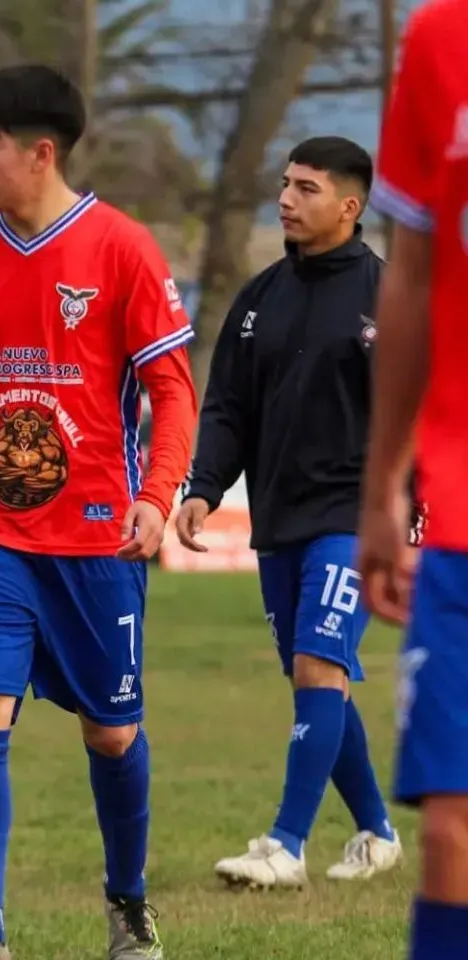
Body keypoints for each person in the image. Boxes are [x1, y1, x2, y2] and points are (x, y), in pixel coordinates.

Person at [0, 65, 197, 960]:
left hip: (96, 537)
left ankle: (128, 904)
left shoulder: (121, 248)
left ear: (40, 151)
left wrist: (156, 495)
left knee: (110, 734)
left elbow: (171, 391)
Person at [176, 137, 407, 889]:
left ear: (350, 206)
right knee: (319, 680)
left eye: (306, 188)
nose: (285, 198)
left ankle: (285, 844)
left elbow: (425, 414)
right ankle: (375, 833)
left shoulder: (391, 299)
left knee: (318, 663)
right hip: (280, 520)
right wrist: (204, 487)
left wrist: (413, 511)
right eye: (284, 183)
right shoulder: (257, 300)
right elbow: (228, 410)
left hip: (356, 518)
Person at [357, 3, 468, 960]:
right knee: (448, 828)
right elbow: (414, 278)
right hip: (464, 508)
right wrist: (384, 481)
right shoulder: (439, 39)